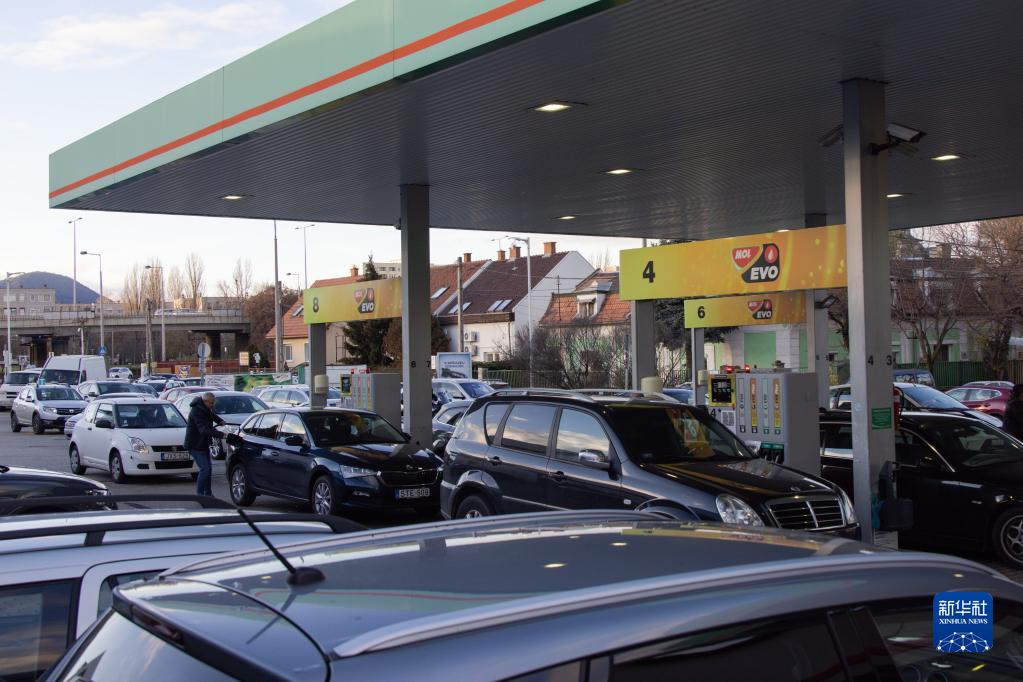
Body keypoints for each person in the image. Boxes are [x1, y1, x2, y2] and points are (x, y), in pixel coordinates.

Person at [184, 392, 224, 496]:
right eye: (211, 403)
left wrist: (220, 421)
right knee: (205, 468)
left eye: (213, 403)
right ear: (205, 401)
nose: (212, 405)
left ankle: (208, 494)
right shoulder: (196, 411)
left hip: (203, 443)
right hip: (194, 445)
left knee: (208, 470)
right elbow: (203, 430)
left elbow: (211, 416)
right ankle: (200, 495)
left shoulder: (205, 408)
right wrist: (221, 434)